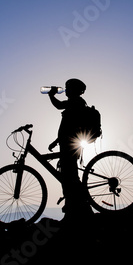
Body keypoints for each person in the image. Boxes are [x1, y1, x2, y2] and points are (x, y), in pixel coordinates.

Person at [47, 78, 93, 220]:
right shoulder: (76, 103)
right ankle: (75, 207)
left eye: (68, 88)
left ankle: (80, 207)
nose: (66, 90)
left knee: (70, 176)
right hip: (68, 143)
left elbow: (59, 105)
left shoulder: (76, 101)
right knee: (68, 176)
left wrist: (51, 95)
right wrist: (56, 141)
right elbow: (68, 125)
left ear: (74, 89)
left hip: (71, 145)